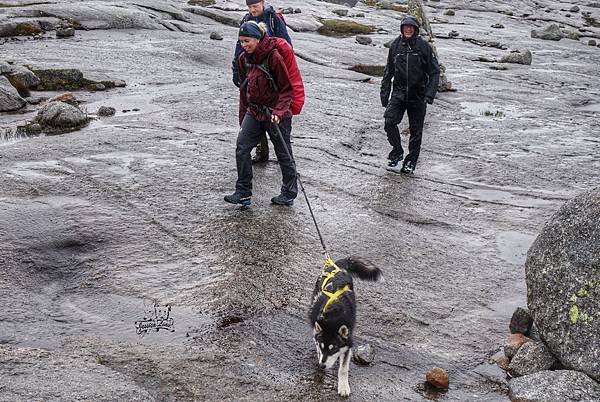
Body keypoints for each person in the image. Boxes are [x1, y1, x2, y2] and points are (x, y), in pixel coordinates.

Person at [224, 21, 297, 207]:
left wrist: (279, 111)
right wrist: (244, 116)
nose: (244, 45)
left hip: (275, 113)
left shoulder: (273, 57)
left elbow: (287, 89)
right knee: (242, 147)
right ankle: (243, 192)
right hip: (254, 111)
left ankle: (289, 193)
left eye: (247, 41)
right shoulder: (243, 59)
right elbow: (244, 90)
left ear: (257, 38)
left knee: (283, 154)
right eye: (241, 42)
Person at [232, 0, 292, 164]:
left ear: (263, 3)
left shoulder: (273, 19)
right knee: (254, 118)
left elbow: (286, 45)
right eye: (250, 7)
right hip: (252, 73)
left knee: (280, 140)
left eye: (255, 6)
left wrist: (278, 67)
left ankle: (285, 166)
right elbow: (239, 48)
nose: (252, 10)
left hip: (271, 73)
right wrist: (236, 70)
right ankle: (261, 152)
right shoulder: (246, 21)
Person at [380, 16, 440, 174]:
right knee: (389, 122)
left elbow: (434, 72)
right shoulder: (395, 45)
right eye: (405, 27)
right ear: (401, 29)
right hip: (398, 93)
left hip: (418, 95)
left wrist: (429, 94)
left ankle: (410, 162)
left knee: (416, 131)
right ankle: (397, 151)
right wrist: (384, 93)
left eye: (411, 27)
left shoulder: (424, 47)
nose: (408, 29)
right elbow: (388, 71)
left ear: (415, 30)